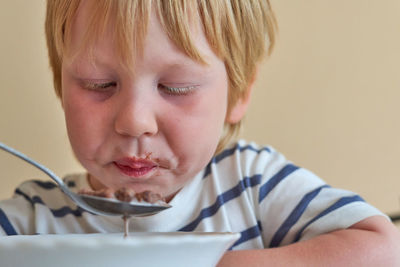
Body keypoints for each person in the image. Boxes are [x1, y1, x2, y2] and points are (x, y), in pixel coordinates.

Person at [1, 0, 399, 265]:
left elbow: (382, 249)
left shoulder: (251, 185)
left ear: (237, 92)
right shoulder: (37, 217)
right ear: (60, 86)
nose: (135, 121)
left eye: (176, 88)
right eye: (98, 83)